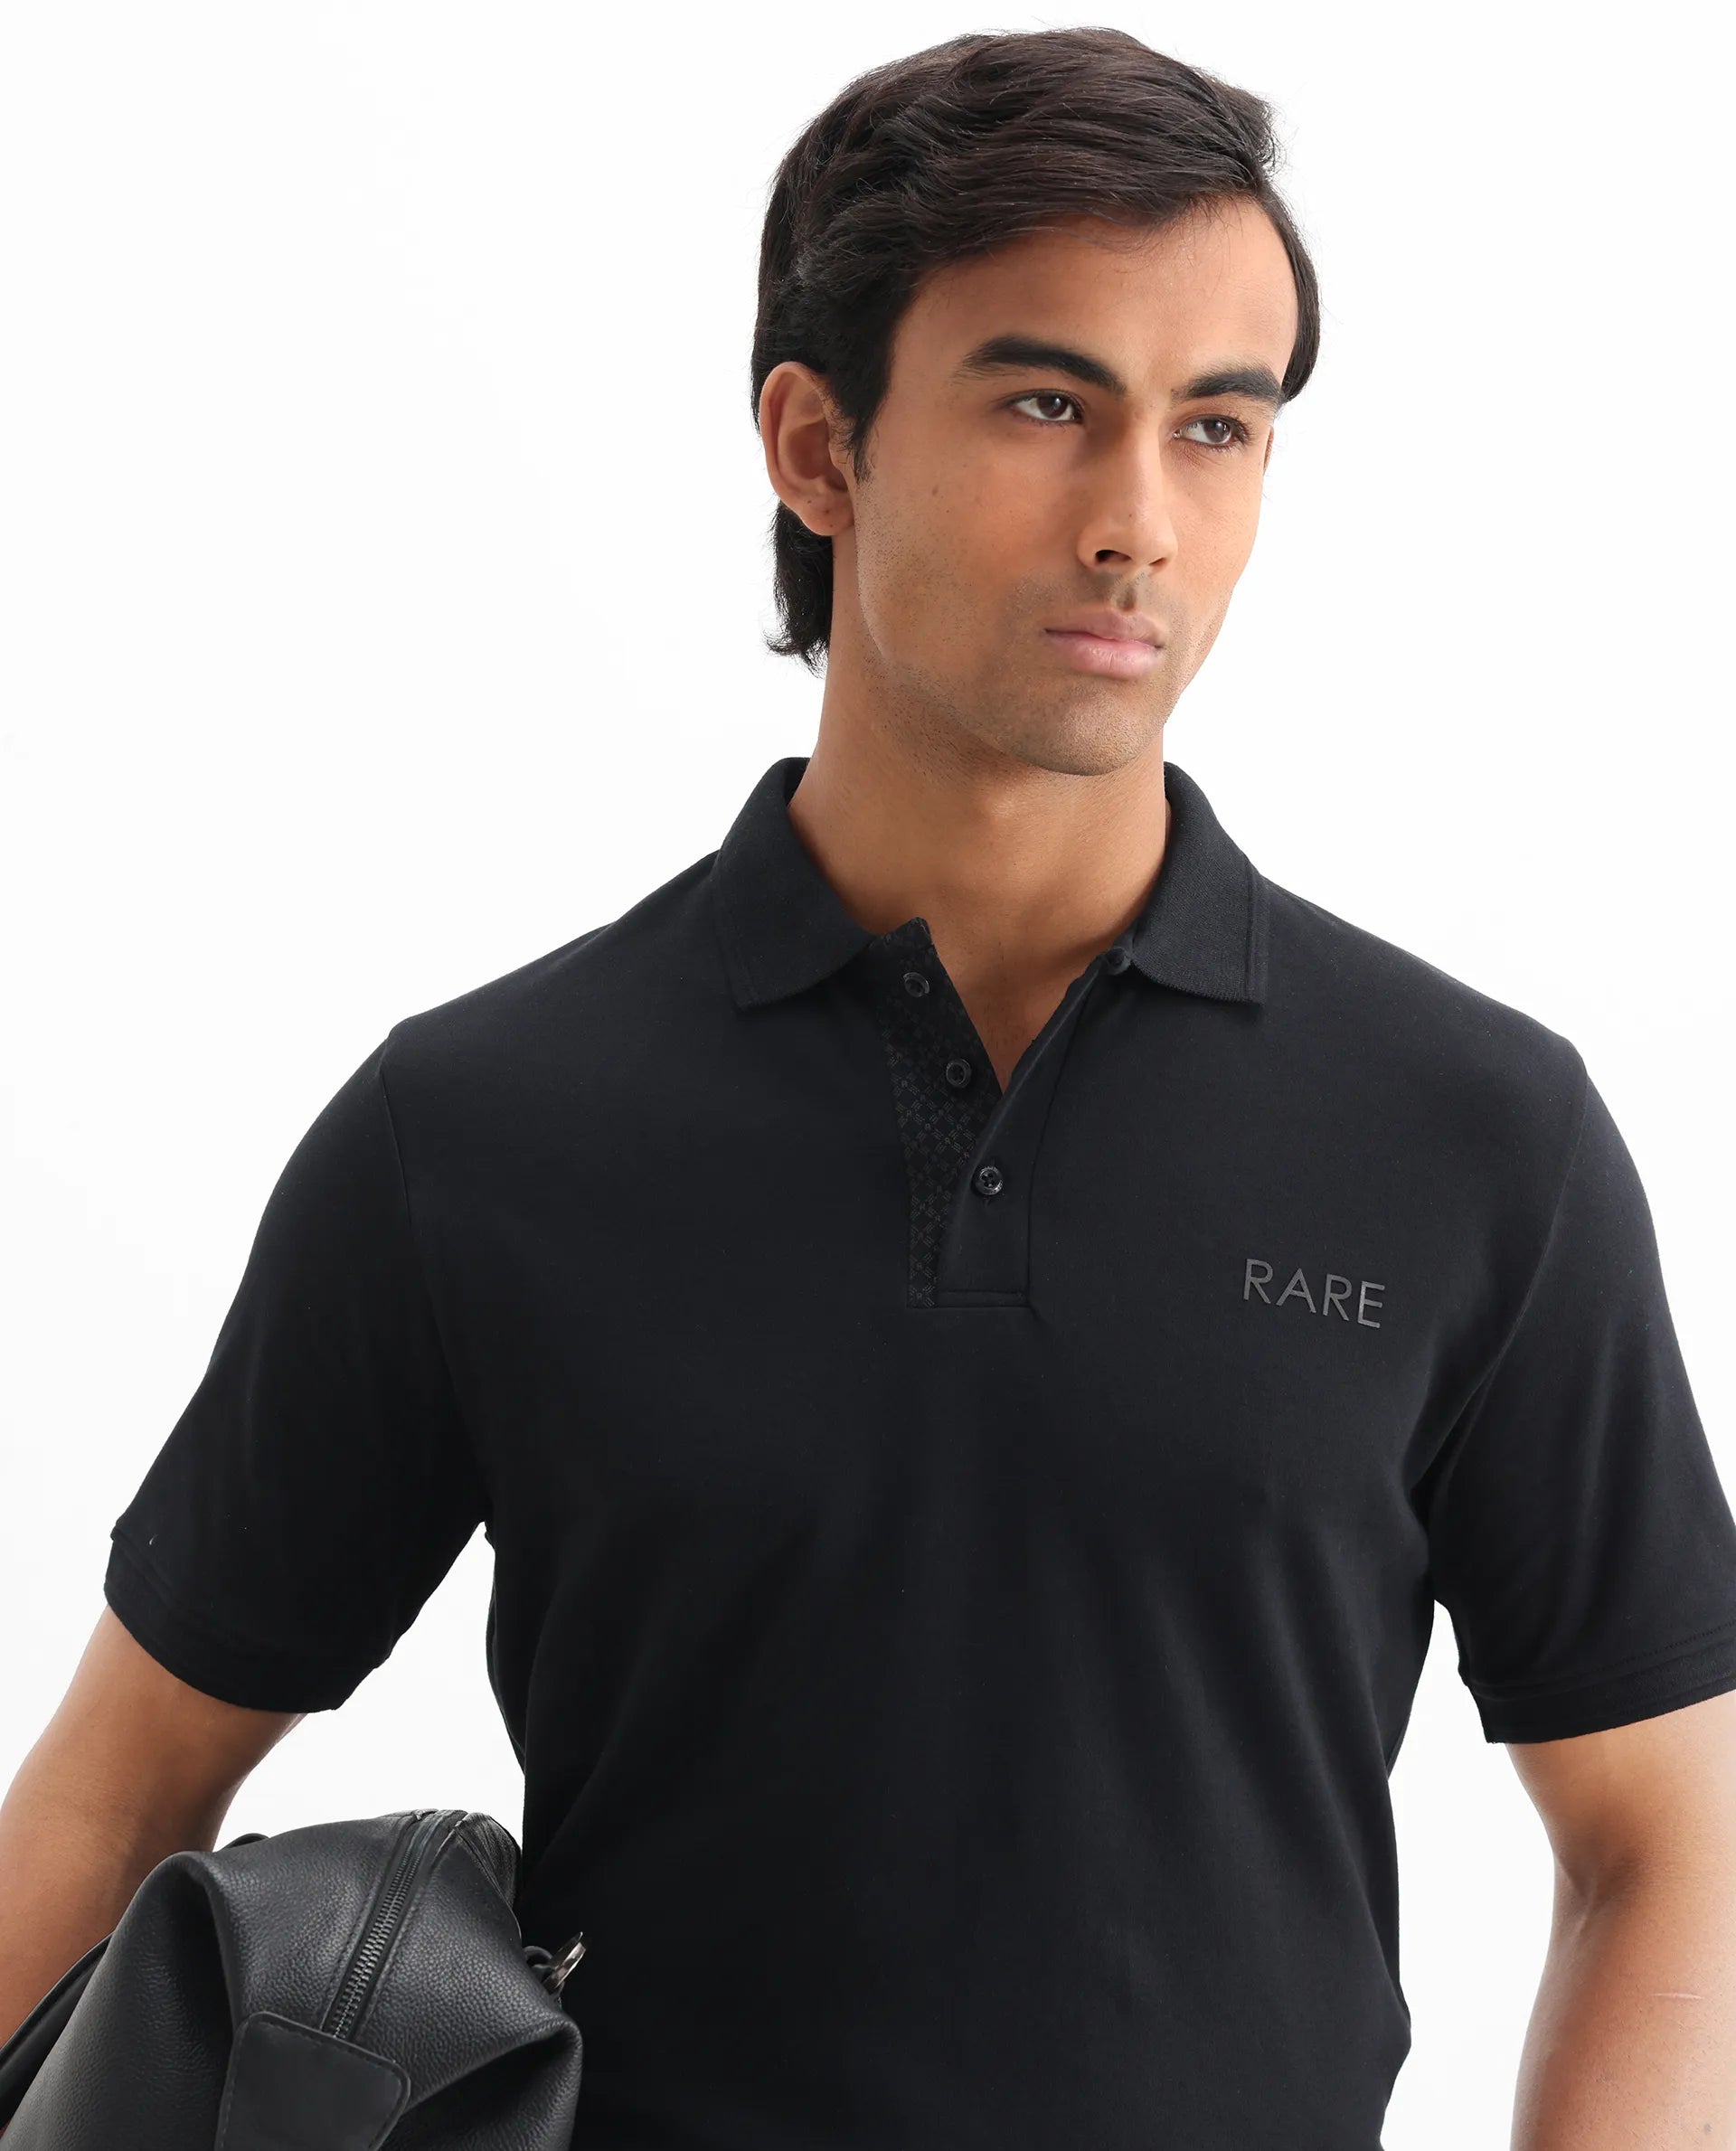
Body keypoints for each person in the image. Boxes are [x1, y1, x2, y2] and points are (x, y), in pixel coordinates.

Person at [5, 25, 1735, 2148]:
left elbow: (1668, 1833)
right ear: (816, 447)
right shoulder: (480, 1134)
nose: (1140, 521)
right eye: (1045, 404)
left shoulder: (1475, 1138)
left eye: (1217, 425)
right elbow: (117, 1791)